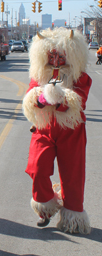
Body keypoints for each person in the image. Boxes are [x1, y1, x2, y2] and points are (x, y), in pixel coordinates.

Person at [23, 29, 92, 234]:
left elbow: (79, 101)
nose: (55, 59)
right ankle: (47, 205)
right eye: (51, 55)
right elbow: (31, 96)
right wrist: (40, 99)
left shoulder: (80, 77)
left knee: (73, 175)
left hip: (71, 130)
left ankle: (72, 218)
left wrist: (61, 98)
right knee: (36, 168)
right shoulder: (39, 75)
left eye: (60, 55)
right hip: (43, 128)